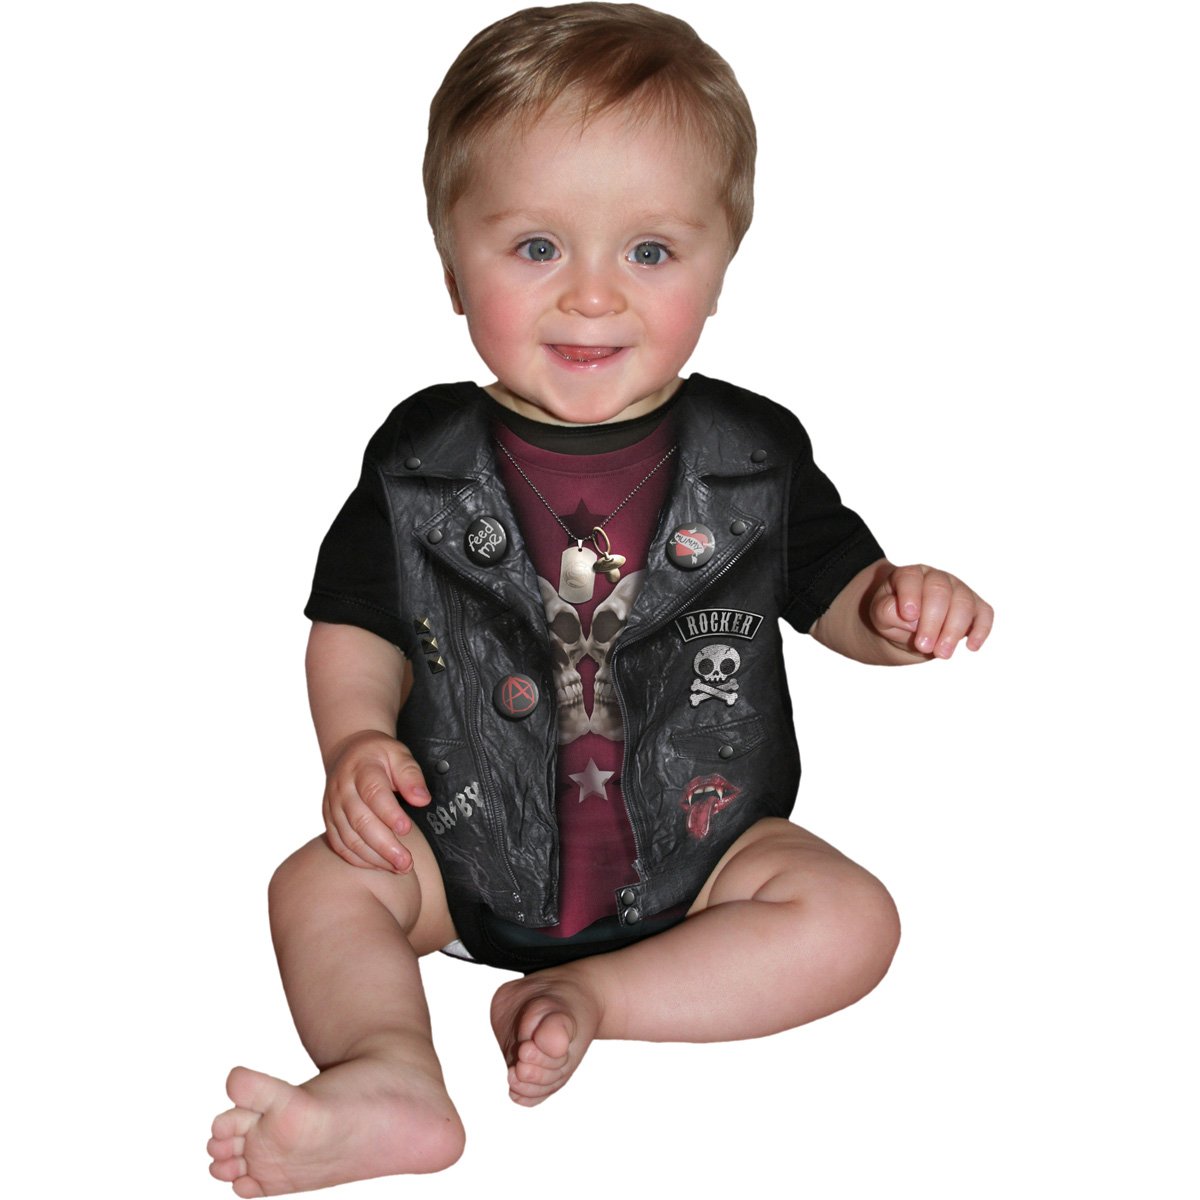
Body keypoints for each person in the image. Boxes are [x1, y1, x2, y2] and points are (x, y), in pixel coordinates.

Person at [207, 4, 993, 1194]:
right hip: (458, 846)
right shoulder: (419, 460)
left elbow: (838, 594)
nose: (591, 297)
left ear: (721, 268)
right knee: (318, 885)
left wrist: (894, 608)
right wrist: (356, 743)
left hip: (711, 854)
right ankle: (390, 1071)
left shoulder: (753, 454)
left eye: (650, 253)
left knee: (853, 921)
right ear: (451, 264)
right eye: (536, 248)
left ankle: (594, 997)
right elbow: (355, 626)